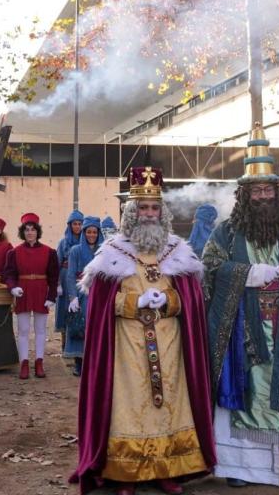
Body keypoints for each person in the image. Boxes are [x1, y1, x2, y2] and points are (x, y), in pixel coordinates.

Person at [71, 166, 215, 495]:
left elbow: (190, 302)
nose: (149, 214)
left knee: (167, 405)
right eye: (142, 209)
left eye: (154, 208)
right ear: (131, 213)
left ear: (162, 213)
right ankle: (127, 473)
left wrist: (167, 299)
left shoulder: (177, 251)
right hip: (126, 346)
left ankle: (166, 468)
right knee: (129, 407)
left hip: (169, 344)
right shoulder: (112, 253)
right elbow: (102, 304)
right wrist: (136, 302)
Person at [201, 126, 279, 487]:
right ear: (244, 195)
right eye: (255, 191)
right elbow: (208, 270)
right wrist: (245, 274)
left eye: (267, 190)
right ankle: (242, 469)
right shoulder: (225, 232)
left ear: (277, 193)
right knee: (248, 394)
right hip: (245, 332)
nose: (262, 197)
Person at [2, 213, 59, 379]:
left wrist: (52, 295)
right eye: (26, 230)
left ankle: (39, 363)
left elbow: (54, 277)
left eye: (33, 230)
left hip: (41, 290)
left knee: (41, 330)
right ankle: (24, 363)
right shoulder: (14, 253)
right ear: (23, 232)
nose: (30, 233)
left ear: (37, 231)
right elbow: (9, 274)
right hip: (23, 291)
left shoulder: (49, 252)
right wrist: (13, 288)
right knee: (23, 330)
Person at [64, 216, 103, 376]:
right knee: (79, 327)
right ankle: (79, 363)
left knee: (97, 328)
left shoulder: (104, 251)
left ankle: (95, 362)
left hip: (99, 294)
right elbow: (70, 275)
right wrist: (72, 297)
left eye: (94, 232)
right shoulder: (75, 251)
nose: (91, 235)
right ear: (84, 233)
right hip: (81, 294)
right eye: (89, 232)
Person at [55, 210, 85, 341]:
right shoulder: (63, 243)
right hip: (66, 277)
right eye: (75, 224)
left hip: (82, 277)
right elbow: (57, 263)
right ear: (70, 225)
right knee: (65, 308)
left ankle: (79, 339)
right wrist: (58, 284)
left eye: (80, 224)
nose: (77, 226)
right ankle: (64, 342)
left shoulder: (86, 241)